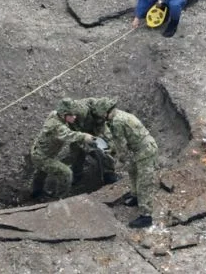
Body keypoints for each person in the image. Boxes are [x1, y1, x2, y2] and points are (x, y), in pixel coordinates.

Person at [94, 98, 158, 229]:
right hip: (137, 149)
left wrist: (117, 159)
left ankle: (146, 216)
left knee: (144, 182)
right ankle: (135, 196)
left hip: (145, 150)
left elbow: (121, 145)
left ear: (105, 112)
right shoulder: (119, 115)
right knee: (133, 171)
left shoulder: (117, 122)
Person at [30, 99, 95, 199]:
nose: (75, 117)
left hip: (42, 152)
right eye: (71, 115)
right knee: (66, 173)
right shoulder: (56, 126)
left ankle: (36, 192)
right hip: (42, 156)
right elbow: (68, 135)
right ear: (64, 114)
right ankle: (60, 198)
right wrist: (84, 136)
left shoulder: (56, 115)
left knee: (41, 171)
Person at [66, 97, 121, 185]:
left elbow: (101, 127)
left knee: (106, 146)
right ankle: (77, 175)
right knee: (76, 150)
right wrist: (83, 142)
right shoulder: (70, 113)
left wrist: (97, 140)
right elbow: (71, 131)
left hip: (96, 127)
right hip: (79, 131)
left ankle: (108, 172)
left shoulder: (98, 108)